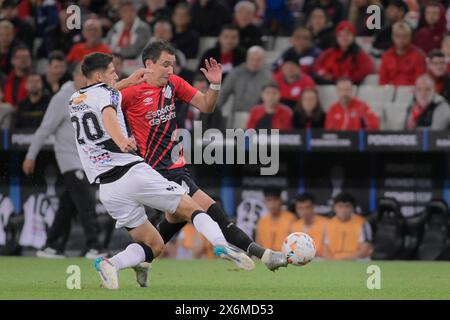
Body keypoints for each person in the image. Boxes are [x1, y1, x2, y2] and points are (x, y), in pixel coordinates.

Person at [71, 52, 255, 289]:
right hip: (131, 172)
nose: (116, 75)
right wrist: (121, 140)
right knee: (192, 207)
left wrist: (127, 82)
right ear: (99, 75)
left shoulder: (76, 99)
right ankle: (221, 244)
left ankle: (110, 264)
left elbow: (105, 93)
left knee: (155, 244)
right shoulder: (107, 96)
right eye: (112, 71)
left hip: (108, 189)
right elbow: (107, 114)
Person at [120, 41, 289, 273]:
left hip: (176, 166)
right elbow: (99, 106)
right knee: (212, 210)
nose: (171, 70)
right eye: (165, 64)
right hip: (159, 170)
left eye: (173, 65)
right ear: (148, 64)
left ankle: (131, 261)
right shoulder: (130, 92)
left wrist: (215, 84)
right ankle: (264, 255)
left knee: (170, 225)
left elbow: (206, 106)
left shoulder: (173, 83)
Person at [23, 65, 111, 259]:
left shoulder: (89, 96)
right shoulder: (62, 98)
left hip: (87, 160)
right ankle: (94, 246)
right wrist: (31, 155)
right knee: (87, 202)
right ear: (78, 76)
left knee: (67, 205)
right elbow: (45, 128)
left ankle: (51, 246)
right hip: (70, 160)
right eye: (87, 76)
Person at [313, 21, 373, 85]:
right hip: (330, 84)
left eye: (347, 34)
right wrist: (324, 74)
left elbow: (365, 69)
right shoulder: (328, 54)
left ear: (353, 36)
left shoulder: (360, 54)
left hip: (349, 86)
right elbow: (317, 67)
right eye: (340, 35)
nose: (344, 38)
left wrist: (348, 80)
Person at [217, 46, 271, 113]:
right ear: (247, 59)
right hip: (237, 113)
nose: (254, 63)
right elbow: (223, 94)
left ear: (263, 61)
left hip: (258, 115)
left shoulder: (268, 77)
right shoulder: (236, 73)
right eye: (252, 59)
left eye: (258, 60)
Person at [322, 192, 373, 260]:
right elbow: (325, 249)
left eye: (347, 206)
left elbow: (364, 250)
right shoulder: (329, 223)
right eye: (340, 206)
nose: (343, 210)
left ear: (353, 208)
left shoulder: (362, 223)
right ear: (334, 208)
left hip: (355, 260)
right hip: (333, 260)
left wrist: (343, 259)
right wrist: (333, 260)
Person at [379, 21, 426, 86]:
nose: (401, 39)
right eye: (398, 36)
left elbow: (420, 81)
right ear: (393, 37)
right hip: (390, 91)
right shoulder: (386, 55)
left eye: (405, 36)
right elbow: (382, 81)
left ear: (410, 37)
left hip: (411, 91)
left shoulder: (418, 55)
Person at [290, 193, 328, 257]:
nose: (304, 211)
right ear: (296, 209)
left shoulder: (326, 223)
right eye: (300, 208)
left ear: (313, 207)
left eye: (307, 207)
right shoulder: (294, 226)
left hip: (321, 260)